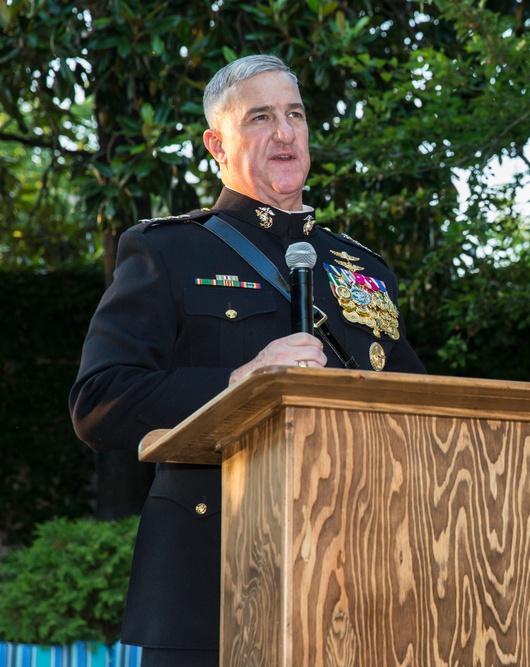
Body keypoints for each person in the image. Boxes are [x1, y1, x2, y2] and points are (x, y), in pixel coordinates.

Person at [69, 54, 425, 666]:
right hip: (214, 581)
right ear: (217, 144)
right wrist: (239, 383)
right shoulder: (168, 252)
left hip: (356, 581)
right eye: (260, 117)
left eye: (294, 115)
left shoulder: (362, 270)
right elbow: (100, 402)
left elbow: (421, 405)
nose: (284, 133)